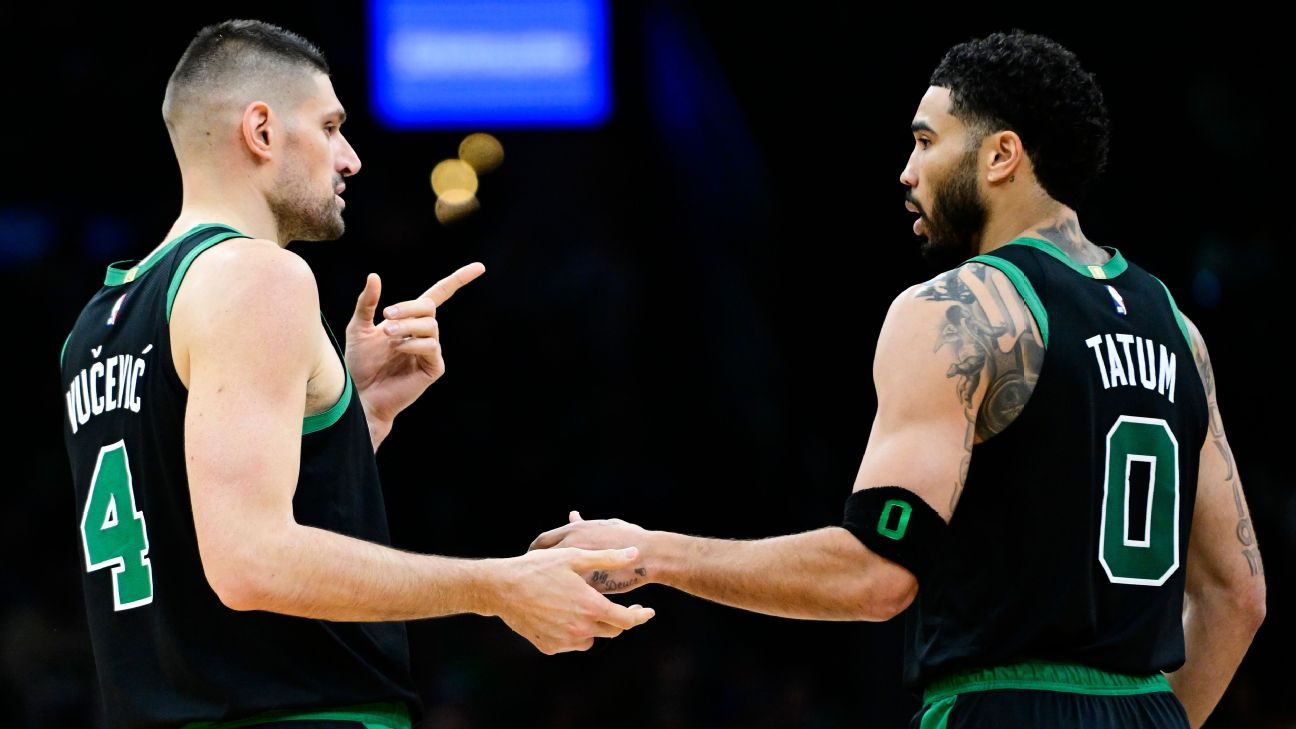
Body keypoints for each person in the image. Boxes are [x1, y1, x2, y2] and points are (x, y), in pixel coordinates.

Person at [531, 30, 1265, 729]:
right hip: (1147, 706)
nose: (907, 172)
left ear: (1001, 155)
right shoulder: (1177, 328)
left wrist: (648, 553)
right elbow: (1239, 596)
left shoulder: (961, 308)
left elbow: (876, 577)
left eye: (926, 141)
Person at [58, 19, 653, 729]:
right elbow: (250, 562)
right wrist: (497, 585)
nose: (352, 158)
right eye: (331, 126)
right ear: (261, 130)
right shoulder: (259, 274)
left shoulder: (100, 320)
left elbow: (193, 525)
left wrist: (353, 416)